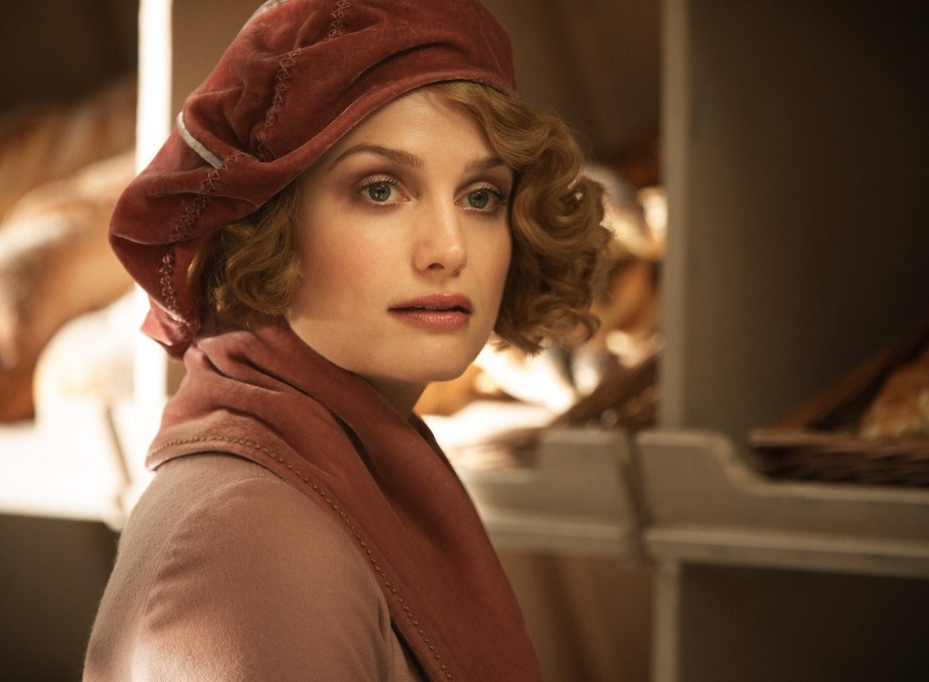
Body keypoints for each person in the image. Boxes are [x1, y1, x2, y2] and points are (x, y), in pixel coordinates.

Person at [83, 1, 609, 680]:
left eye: (481, 196)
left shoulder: (336, 468)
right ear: (267, 223)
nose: (449, 249)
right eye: (381, 189)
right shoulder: (254, 537)